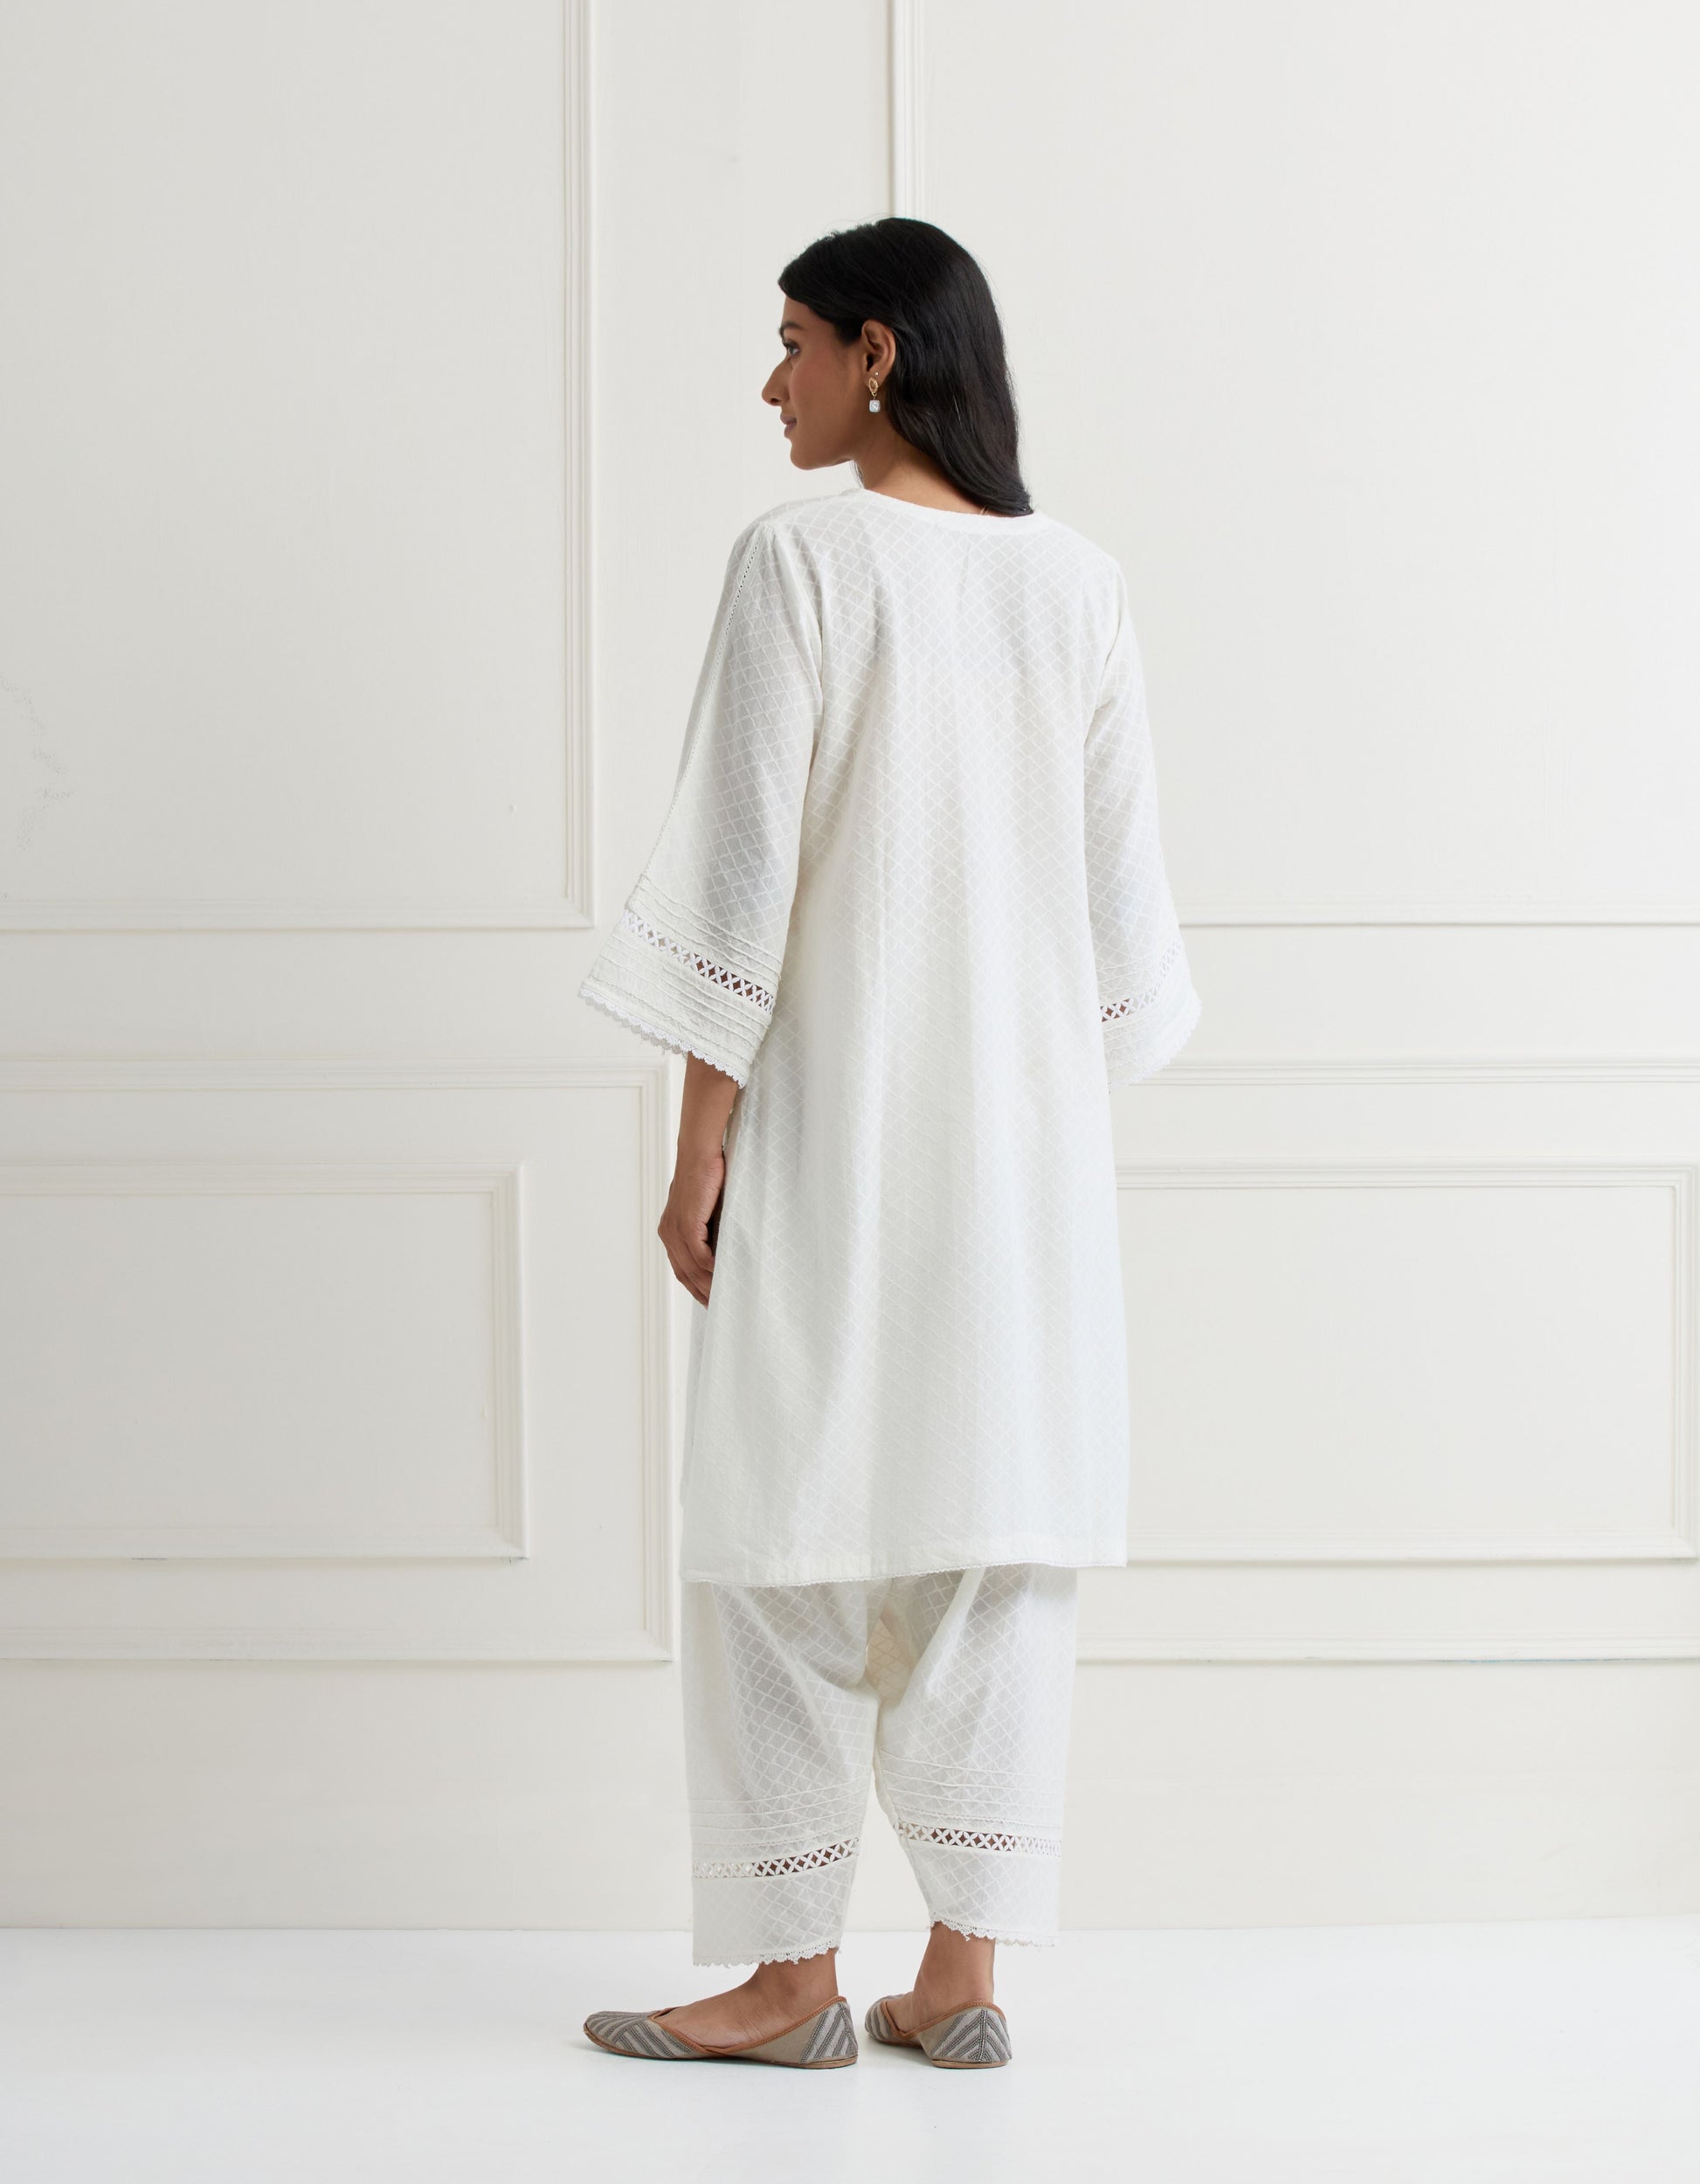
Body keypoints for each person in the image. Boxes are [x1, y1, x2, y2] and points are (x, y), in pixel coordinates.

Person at [577, 217, 1200, 2071]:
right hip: (1025, 1166)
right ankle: (960, 1970)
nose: (769, 381)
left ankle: (787, 1983)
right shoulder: (1077, 585)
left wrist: (698, 1146)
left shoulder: (802, 561)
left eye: (791, 342)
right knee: (991, 1537)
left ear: (876, 351)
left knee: (780, 1536)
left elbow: (740, 875)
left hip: (834, 1134)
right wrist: (1024, 1103)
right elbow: (1122, 937)